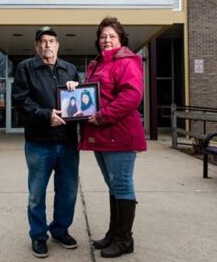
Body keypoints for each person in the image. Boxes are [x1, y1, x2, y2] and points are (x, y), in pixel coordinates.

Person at [78, 17, 147, 258]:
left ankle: (124, 239)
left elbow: (131, 96)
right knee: (113, 186)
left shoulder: (127, 61)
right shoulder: (96, 64)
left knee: (122, 184)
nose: (106, 40)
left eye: (112, 36)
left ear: (121, 39)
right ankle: (113, 233)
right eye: (103, 36)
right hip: (102, 135)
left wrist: (102, 116)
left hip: (120, 134)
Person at [12, 26, 81, 258]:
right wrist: (45, 115)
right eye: (42, 41)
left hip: (68, 142)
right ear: (36, 46)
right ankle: (39, 235)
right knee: (36, 194)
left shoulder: (70, 69)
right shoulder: (25, 68)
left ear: (58, 45)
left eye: (51, 41)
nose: (47, 45)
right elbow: (20, 101)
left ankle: (60, 230)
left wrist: (76, 88)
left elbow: (81, 103)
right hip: (39, 142)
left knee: (68, 192)